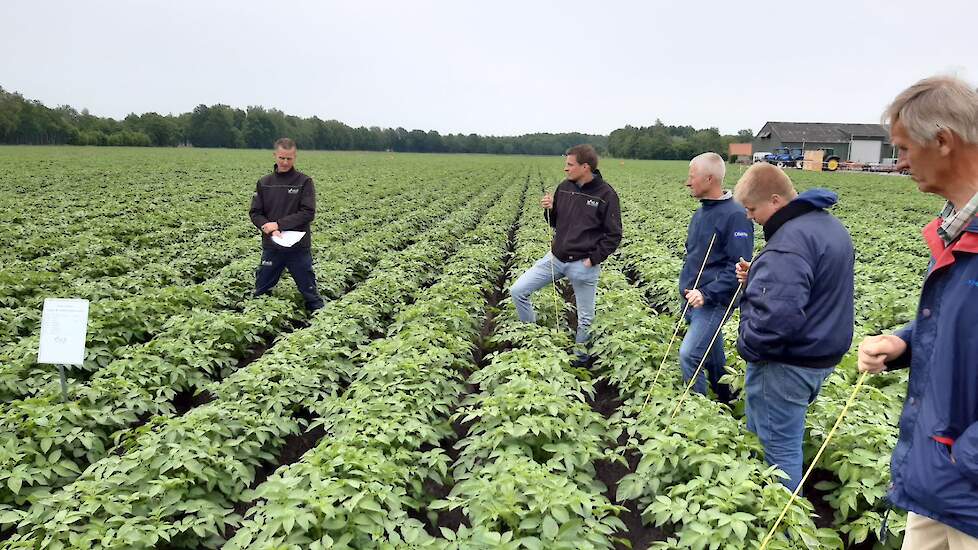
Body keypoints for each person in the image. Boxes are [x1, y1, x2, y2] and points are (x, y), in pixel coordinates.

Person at [857, 75, 978, 549]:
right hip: (937, 480)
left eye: (904, 148)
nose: (899, 162)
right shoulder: (957, 223)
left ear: (943, 141)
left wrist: (964, 458)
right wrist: (905, 342)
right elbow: (960, 323)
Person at [733, 162, 854, 492]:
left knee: (777, 453)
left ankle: (784, 530)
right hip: (818, 356)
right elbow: (809, 291)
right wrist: (758, 276)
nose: (749, 217)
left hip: (787, 364)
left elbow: (778, 319)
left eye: (751, 208)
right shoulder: (827, 226)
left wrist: (747, 347)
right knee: (776, 440)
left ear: (775, 201)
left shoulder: (790, 241)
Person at [510, 144, 622, 361]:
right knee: (518, 291)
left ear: (585, 167)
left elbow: (614, 235)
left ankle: (580, 361)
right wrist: (549, 209)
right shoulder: (564, 187)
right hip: (556, 259)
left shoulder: (606, 195)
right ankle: (533, 339)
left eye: (570, 165)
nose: (565, 169)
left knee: (585, 319)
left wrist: (592, 259)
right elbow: (555, 222)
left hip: (583, 264)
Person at [678, 152, 754, 403]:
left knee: (690, 355)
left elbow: (739, 267)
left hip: (712, 302)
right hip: (692, 298)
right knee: (712, 354)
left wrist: (707, 293)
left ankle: (698, 414)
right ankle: (727, 399)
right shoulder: (701, 213)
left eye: (692, 176)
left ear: (709, 179)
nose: (688, 182)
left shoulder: (735, 216)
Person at [249, 137, 324, 312]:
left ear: (295, 157)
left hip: (298, 247)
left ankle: (320, 324)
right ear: (275, 155)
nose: (284, 162)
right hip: (272, 245)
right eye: (281, 157)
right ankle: (256, 320)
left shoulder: (304, 182)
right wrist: (266, 226)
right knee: (260, 291)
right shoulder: (264, 183)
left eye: (289, 158)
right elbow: (255, 213)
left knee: (310, 294)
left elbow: (308, 213)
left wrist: (278, 224)